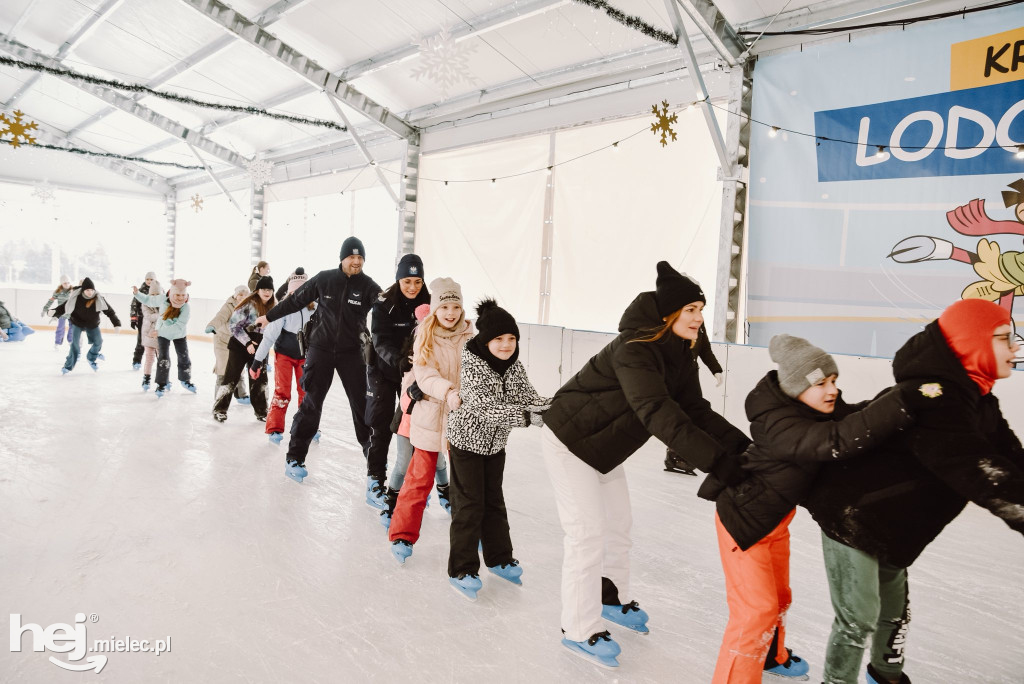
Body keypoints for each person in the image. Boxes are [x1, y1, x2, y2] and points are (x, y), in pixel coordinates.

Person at [540, 261, 751, 669]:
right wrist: (717, 464)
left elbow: (695, 410)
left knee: (619, 525)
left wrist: (744, 450)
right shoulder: (634, 349)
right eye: (690, 310)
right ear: (669, 313)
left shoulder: (681, 351)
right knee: (586, 534)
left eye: (701, 309)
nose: (699, 318)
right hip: (570, 440)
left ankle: (611, 598)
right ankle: (578, 628)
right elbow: (658, 412)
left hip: (604, 448)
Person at [804, 298, 1024, 684]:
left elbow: (1010, 459)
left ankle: (886, 676)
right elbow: (974, 466)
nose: (1015, 346)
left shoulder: (977, 399)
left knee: (894, 614)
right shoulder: (932, 397)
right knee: (858, 618)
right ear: (972, 343)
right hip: (854, 517)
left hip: (897, 528)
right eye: (1004, 337)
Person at [701, 335, 911, 683]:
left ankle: (772, 656)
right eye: (821, 383)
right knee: (756, 612)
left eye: (834, 381)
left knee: (779, 598)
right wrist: (902, 402)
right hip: (744, 524)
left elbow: (857, 415)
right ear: (796, 386)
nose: (832, 390)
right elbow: (837, 440)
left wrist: (903, 392)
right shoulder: (779, 424)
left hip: (775, 521)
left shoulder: (814, 407)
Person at [444, 299, 551, 599]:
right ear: (486, 339)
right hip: (466, 443)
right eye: (499, 339)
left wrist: (555, 405)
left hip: (495, 445)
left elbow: (528, 396)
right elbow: (487, 408)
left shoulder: (512, 365)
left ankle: (499, 558)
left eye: (512, 338)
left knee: (494, 501)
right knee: (469, 505)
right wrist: (531, 417)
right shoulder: (473, 364)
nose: (506, 345)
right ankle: (462, 568)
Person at [254, 237, 381, 486]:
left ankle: (375, 463)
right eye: (351, 257)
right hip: (320, 349)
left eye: (360, 257)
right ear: (342, 258)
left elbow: (388, 307)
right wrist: (269, 317)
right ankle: (295, 458)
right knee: (311, 402)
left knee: (362, 406)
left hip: (352, 353)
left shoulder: (368, 286)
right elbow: (294, 301)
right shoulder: (325, 279)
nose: (356, 261)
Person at [388, 277, 474, 564]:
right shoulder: (425, 336)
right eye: (445, 307)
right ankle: (402, 534)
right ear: (435, 309)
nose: (451, 313)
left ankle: (476, 534)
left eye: (455, 306)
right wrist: (449, 392)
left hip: (460, 419)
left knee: (467, 484)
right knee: (418, 480)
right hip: (429, 416)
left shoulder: (471, 338)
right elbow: (425, 376)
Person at [365, 254, 431, 508]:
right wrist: (398, 360)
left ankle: (412, 484)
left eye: (417, 281)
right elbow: (379, 340)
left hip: (414, 375)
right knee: (382, 426)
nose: (412, 287)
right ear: (398, 280)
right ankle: (375, 480)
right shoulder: (384, 303)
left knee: (415, 428)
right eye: (407, 281)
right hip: (384, 370)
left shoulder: (429, 302)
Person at [379, 303, 450, 528]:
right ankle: (391, 502)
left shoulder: (444, 360)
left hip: (432, 421)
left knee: (439, 461)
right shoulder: (412, 361)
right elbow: (404, 394)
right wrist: (411, 393)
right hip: (409, 420)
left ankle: (445, 494)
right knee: (403, 462)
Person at [252, 269, 315, 444]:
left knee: (307, 392)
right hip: (284, 356)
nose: (298, 296)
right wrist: (256, 362)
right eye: (294, 292)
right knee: (282, 392)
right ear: (289, 292)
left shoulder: (315, 308)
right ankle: (274, 428)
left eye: (302, 291)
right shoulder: (282, 310)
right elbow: (268, 337)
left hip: (306, 357)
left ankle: (308, 426)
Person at [213, 276, 275, 422]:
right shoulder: (248, 304)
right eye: (264, 289)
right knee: (231, 378)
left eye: (270, 290)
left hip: (260, 347)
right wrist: (247, 343)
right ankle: (219, 409)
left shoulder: (274, 307)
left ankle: (261, 411)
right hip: (240, 346)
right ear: (257, 290)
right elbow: (234, 326)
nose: (267, 292)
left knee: (260, 380)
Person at [666, 322, 723, 475]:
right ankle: (674, 455)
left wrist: (716, 370)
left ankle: (680, 455)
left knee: (694, 415)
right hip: (674, 375)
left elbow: (705, 349)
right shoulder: (676, 319)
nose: (698, 314)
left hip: (691, 375)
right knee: (678, 416)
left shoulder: (700, 323)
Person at [134, 279, 195, 397]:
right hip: (162, 334)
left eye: (183, 295)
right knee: (163, 358)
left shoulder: (186, 307)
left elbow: (179, 325)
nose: (180, 298)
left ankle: (185, 380)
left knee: (184, 356)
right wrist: (137, 294)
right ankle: (161, 384)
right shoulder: (163, 299)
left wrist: (158, 331)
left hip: (178, 334)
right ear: (172, 293)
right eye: (177, 295)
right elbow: (149, 300)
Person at [55, 277, 120, 374]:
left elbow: (110, 312)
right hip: (77, 323)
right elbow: (64, 306)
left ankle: (91, 357)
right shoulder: (76, 297)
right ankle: (68, 366)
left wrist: (116, 323)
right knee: (75, 345)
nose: (90, 292)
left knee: (99, 342)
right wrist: (54, 311)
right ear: (83, 290)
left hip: (92, 324)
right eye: (87, 290)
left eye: (92, 290)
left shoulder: (98, 298)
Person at [206, 285, 252, 405]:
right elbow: (220, 317)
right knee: (222, 369)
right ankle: (219, 398)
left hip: (237, 341)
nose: (242, 297)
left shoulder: (250, 306)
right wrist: (212, 325)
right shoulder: (228, 306)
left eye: (245, 294)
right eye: (240, 294)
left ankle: (241, 395)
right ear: (235, 295)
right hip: (222, 340)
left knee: (238, 367)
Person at [133, 279, 163, 391]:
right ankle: (146, 378)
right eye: (152, 294)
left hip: (161, 334)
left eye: (157, 294)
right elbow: (149, 316)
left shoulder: (165, 303)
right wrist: (161, 315)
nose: (154, 297)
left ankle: (163, 379)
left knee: (162, 359)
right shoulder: (145, 303)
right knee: (149, 358)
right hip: (149, 333)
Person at [129, 272, 156, 369]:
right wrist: (133, 319)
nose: (149, 281)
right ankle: (137, 361)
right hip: (142, 318)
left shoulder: (159, 290)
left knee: (156, 341)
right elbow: (134, 305)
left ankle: (160, 361)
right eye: (147, 279)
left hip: (155, 319)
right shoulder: (140, 291)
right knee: (141, 340)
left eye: (151, 279)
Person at [41, 275, 74, 350]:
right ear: (61, 283)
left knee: (72, 328)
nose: (67, 284)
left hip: (71, 313)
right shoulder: (58, 291)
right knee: (60, 327)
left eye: (68, 283)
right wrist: (45, 309)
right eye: (65, 283)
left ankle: (71, 341)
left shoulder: (74, 291)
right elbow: (51, 300)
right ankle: (57, 342)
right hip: (61, 313)